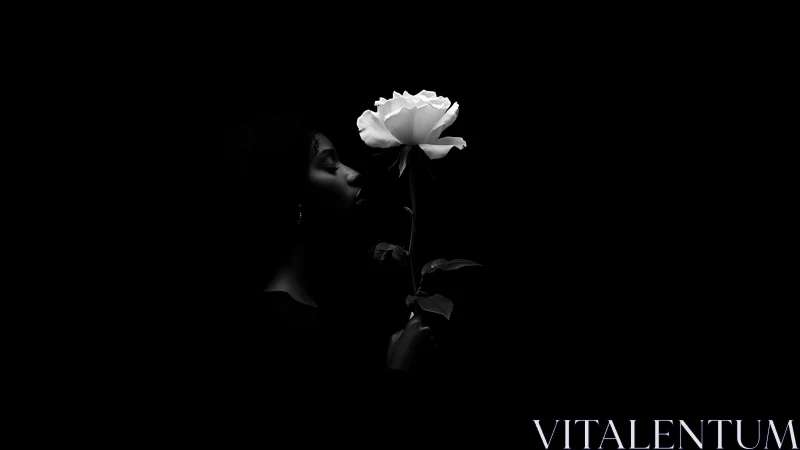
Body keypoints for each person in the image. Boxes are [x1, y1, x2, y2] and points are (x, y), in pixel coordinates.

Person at [201, 111, 432, 439]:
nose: (353, 174)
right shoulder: (278, 331)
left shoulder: (321, 305)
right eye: (329, 166)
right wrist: (397, 372)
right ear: (290, 193)